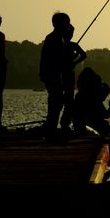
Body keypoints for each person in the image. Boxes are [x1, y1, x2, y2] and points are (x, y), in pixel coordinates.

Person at [39, 11, 71, 140]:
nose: (68, 25)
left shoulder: (56, 37)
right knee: (56, 102)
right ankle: (51, 129)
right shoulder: (55, 38)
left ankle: (51, 127)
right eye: (66, 22)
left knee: (56, 102)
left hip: (52, 74)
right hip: (53, 74)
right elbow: (51, 58)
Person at [59, 24, 87, 133]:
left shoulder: (72, 45)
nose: (70, 35)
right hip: (62, 74)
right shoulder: (65, 45)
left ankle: (64, 123)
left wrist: (74, 61)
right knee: (63, 99)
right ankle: (63, 123)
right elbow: (83, 55)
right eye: (69, 33)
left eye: (72, 34)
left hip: (68, 75)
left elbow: (84, 55)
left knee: (69, 100)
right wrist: (74, 59)